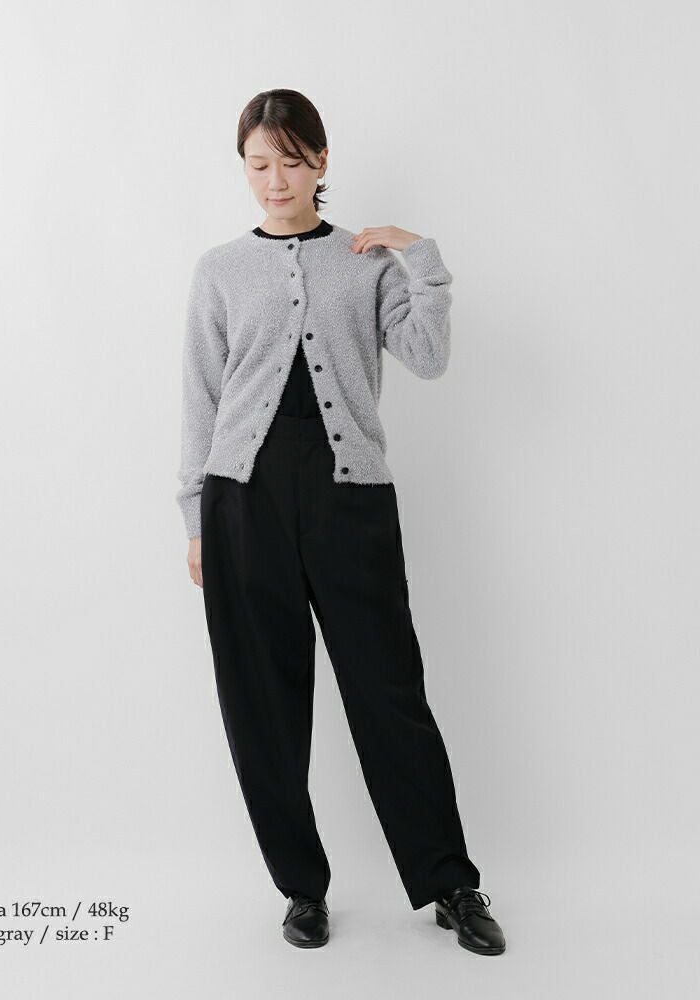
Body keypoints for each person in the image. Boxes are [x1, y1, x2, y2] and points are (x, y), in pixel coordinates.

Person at [176, 88, 506, 956]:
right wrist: (196, 518)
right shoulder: (219, 270)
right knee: (263, 701)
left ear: (320, 162)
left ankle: (451, 884)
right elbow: (201, 397)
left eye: (290, 161)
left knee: (388, 689)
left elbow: (428, 357)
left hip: (349, 494)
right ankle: (302, 890)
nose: (274, 180)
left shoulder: (365, 262)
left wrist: (421, 259)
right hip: (242, 497)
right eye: (258, 164)